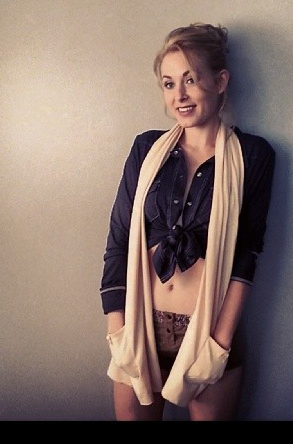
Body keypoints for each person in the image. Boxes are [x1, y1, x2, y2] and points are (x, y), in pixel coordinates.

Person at [100, 23, 275, 421]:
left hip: (208, 333)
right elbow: (119, 240)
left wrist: (219, 342)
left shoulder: (253, 156)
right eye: (168, 84)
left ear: (220, 81)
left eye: (190, 80)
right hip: (140, 330)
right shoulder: (146, 148)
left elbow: (247, 253)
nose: (178, 95)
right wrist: (118, 331)